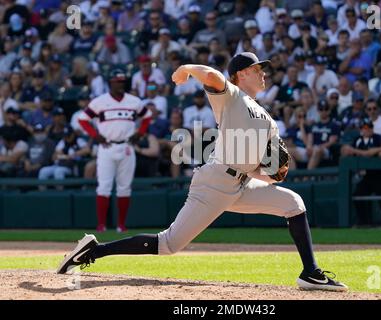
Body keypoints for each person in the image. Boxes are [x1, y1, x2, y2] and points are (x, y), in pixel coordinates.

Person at [57, 52, 348, 292]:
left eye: (263, 70)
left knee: (293, 204)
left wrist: (273, 175)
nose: (263, 74)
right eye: (257, 69)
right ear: (240, 74)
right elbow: (211, 75)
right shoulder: (231, 96)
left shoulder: (268, 118)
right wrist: (185, 68)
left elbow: (261, 167)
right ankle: (94, 250)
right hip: (214, 182)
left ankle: (310, 273)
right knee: (168, 244)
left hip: (242, 183)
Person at [77, 69, 153, 233]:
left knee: (124, 187)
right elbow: (82, 119)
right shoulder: (100, 101)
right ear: (110, 82)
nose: (121, 84)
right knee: (103, 186)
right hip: (107, 146)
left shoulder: (134, 101)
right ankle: (101, 225)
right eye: (117, 81)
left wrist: (140, 133)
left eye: (123, 81)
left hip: (126, 146)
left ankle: (121, 225)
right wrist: (94, 135)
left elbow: (147, 116)